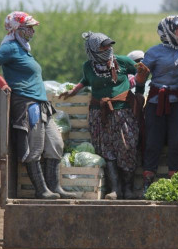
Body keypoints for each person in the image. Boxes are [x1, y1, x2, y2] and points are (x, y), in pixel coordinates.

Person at [0, 11, 76, 199]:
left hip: (41, 104)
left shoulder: (24, 48)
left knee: (56, 143)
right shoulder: (10, 47)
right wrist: (3, 84)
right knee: (35, 147)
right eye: (28, 27)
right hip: (27, 104)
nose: (32, 31)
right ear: (17, 28)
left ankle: (55, 187)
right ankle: (41, 191)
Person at [60, 32, 142, 200]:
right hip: (100, 113)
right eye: (104, 46)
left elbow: (141, 75)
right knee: (106, 150)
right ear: (93, 49)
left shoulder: (122, 62)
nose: (108, 49)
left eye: (109, 45)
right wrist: (74, 91)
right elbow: (85, 80)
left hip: (123, 112)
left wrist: (141, 86)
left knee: (128, 147)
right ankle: (115, 189)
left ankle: (128, 188)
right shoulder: (89, 67)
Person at [136, 15, 178, 193]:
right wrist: (138, 94)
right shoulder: (154, 52)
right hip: (156, 102)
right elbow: (141, 76)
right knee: (153, 140)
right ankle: (148, 181)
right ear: (168, 31)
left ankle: (174, 183)